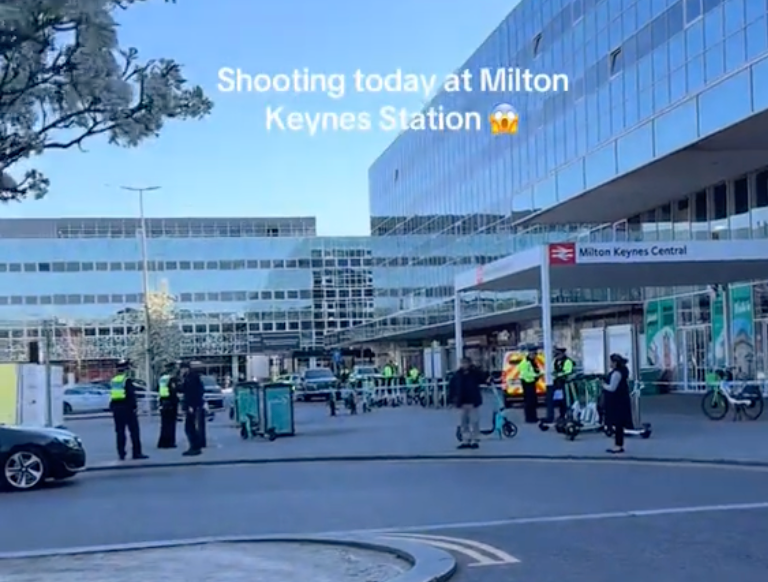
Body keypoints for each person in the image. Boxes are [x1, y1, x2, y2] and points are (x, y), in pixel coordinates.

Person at [109, 359, 148, 461]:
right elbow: (131, 395)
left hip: (117, 409)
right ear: (126, 369)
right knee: (134, 431)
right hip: (127, 408)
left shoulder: (114, 380)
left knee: (120, 432)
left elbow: (113, 395)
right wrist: (134, 407)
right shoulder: (126, 380)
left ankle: (121, 453)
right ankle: (137, 452)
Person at [448, 357, 486, 449]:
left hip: (473, 402)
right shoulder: (457, 375)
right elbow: (452, 387)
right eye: (462, 363)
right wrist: (451, 399)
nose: (464, 365)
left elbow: (483, 377)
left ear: (469, 364)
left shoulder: (474, 373)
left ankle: (474, 440)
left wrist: (477, 369)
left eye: (466, 363)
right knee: (463, 423)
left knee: (474, 422)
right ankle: (465, 440)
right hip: (462, 402)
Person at [603, 354, 633, 454]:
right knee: (619, 424)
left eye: (611, 362)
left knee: (618, 424)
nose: (610, 364)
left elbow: (612, 388)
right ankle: (618, 444)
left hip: (617, 402)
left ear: (615, 363)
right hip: (622, 400)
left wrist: (603, 385)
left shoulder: (616, 374)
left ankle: (618, 445)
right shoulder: (622, 372)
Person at [180, 361, 205, 456]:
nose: (181, 371)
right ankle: (195, 446)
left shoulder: (191, 378)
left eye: (182, 369)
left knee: (189, 427)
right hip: (192, 404)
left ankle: (194, 447)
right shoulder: (190, 377)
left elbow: (192, 392)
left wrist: (191, 406)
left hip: (192, 405)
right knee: (190, 427)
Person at [543, 348, 574, 424]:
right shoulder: (555, 361)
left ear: (562, 354)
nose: (557, 356)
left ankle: (568, 415)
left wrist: (559, 374)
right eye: (556, 355)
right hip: (557, 384)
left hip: (566, 383)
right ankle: (562, 415)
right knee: (560, 400)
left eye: (558, 354)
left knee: (566, 400)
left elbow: (568, 371)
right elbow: (552, 370)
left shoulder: (567, 361)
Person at [157, 362, 179, 449]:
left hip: (163, 402)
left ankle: (162, 442)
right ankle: (169, 442)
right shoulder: (171, 379)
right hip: (170, 403)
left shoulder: (162, 378)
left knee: (164, 424)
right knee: (171, 424)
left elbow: (158, 389)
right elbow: (173, 391)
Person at [519, 349, 541, 423]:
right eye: (534, 354)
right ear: (530, 354)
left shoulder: (532, 362)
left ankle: (533, 417)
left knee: (533, 401)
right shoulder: (525, 363)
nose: (535, 356)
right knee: (529, 401)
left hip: (531, 383)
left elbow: (535, 370)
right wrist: (536, 375)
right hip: (527, 383)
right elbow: (525, 374)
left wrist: (538, 374)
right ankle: (529, 418)